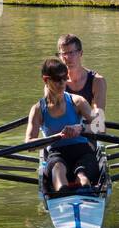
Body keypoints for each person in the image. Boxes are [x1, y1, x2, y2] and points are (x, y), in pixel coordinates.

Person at [26, 58, 104, 194]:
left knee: (82, 176)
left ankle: (84, 190)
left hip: (82, 151)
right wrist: (57, 137)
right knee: (58, 171)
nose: (63, 83)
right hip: (56, 154)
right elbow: (29, 144)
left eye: (65, 78)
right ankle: (63, 193)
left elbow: (100, 128)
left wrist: (80, 128)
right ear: (46, 80)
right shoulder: (38, 109)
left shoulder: (77, 102)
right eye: (57, 79)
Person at [58, 34, 106, 118]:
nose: (68, 57)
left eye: (71, 53)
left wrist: (79, 128)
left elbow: (98, 121)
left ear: (81, 53)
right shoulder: (54, 82)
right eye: (64, 53)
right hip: (62, 129)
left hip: (88, 128)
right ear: (60, 56)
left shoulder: (98, 81)